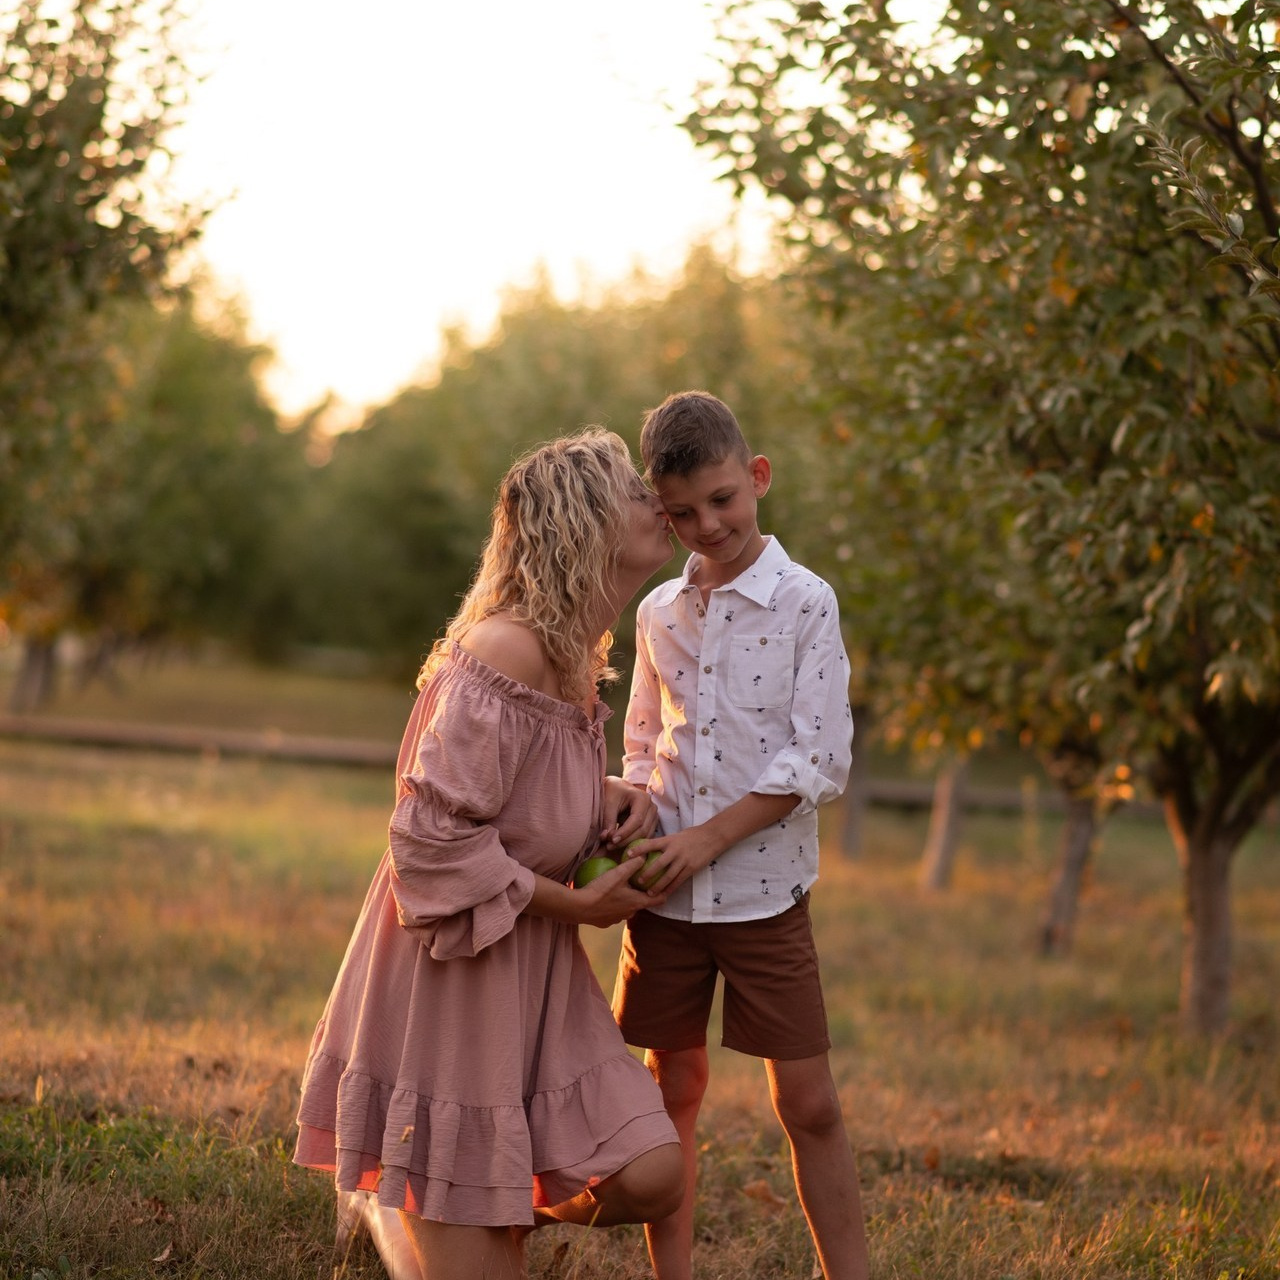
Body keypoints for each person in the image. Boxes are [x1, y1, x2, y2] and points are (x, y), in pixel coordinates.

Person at [293, 429, 685, 1280]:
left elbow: (522, 811)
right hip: (454, 978)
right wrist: (575, 906)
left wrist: (613, 799)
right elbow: (425, 845)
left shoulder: (579, 662)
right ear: (583, 524)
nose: (657, 498)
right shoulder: (507, 651)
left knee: (655, 1171)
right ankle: (387, 1206)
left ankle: (462, 1207)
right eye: (631, 489)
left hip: (533, 978)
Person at [613, 391, 871, 1280]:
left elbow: (818, 759)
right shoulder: (658, 614)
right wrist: (640, 799)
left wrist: (709, 837)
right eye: (680, 512)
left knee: (809, 1103)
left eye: (721, 499)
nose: (704, 525)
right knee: (669, 1090)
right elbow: (645, 741)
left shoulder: (806, 603)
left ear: (755, 478)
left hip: (765, 896)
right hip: (666, 896)